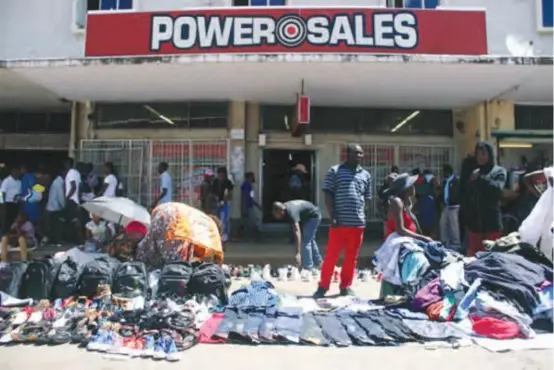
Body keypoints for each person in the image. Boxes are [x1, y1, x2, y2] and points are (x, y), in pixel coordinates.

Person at [313, 143, 372, 299]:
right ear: (348, 154)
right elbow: (328, 194)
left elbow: (367, 198)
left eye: (361, 153)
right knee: (331, 256)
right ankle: (323, 286)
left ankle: (345, 286)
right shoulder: (335, 171)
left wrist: (361, 213)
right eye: (356, 153)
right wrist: (332, 215)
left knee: (351, 258)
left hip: (357, 224)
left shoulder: (366, 175)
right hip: (339, 223)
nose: (360, 156)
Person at [380, 173, 433, 297]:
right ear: (405, 188)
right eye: (412, 185)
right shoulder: (397, 202)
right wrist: (424, 238)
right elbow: (400, 229)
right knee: (418, 261)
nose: (414, 187)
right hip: (398, 242)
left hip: (407, 241)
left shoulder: (406, 203)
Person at [135, 202, 223, 268]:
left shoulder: (197, 217)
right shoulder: (211, 226)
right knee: (175, 264)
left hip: (163, 210)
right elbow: (217, 253)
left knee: (151, 246)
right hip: (174, 218)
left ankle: (139, 268)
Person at [465, 141, 507, 257]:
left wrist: (481, 179)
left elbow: (498, 189)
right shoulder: (473, 171)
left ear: (490, 155)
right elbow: (466, 194)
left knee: (491, 256)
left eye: (483, 154)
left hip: (491, 222)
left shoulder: (498, 171)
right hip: (474, 223)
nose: (481, 157)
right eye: (478, 154)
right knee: (474, 257)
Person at [272, 200, 323, 272]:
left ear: (281, 211)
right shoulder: (285, 207)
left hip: (314, 216)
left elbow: (297, 231)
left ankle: (308, 268)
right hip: (311, 215)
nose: (275, 216)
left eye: (276, 214)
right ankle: (319, 263)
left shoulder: (291, 212)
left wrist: (298, 253)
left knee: (306, 241)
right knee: (310, 239)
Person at [439, 164, 461, 250]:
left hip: (454, 206)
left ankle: (456, 244)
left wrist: (452, 200)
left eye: (444, 172)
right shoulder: (445, 181)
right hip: (446, 206)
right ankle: (445, 242)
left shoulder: (456, 181)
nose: (443, 174)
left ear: (448, 172)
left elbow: (457, 194)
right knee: (443, 223)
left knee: (453, 225)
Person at [414, 169, 439, 237]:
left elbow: (436, 193)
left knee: (429, 226)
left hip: (428, 205)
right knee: (426, 226)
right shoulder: (421, 183)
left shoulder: (431, 182)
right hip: (425, 204)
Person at [44, 167, 66, 244]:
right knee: (57, 225)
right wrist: (64, 206)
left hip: (53, 207)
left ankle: (54, 240)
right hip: (55, 207)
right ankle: (57, 241)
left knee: (53, 225)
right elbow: (60, 196)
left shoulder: (57, 182)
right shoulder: (59, 182)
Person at [64, 157, 83, 243]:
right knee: (75, 220)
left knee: (73, 220)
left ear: (68, 164)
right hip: (76, 200)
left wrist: (67, 197)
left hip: (71, 199)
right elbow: (79, 187)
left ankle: (78, 239)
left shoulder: (70, 173)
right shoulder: (77, 173)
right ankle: (77, 239)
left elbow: (73, 186)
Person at [212, 166, 233, 242]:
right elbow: (213, 193)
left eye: (222, 176)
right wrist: (217, 200)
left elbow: (230, 194)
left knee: (224, 220)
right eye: (219, 175)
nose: (220, 177)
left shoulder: (228, 182)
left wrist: (224, 201)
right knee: (216, 219)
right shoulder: (215, 182)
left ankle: (224, 235)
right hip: (216, 203)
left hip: (225, 204)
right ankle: (217, 235)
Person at [240, 172, 261, 240]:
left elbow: (250, 197)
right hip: (247, 205)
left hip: (250, 205)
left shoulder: (249, 185)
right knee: (252, 221)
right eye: (252, 176)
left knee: (252, 220)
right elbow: (245, 197)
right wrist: (244, 207)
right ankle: (252, 236)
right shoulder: (246, 185)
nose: (253, 178)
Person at [0, 167, 21, 233]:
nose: (18, 174)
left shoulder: (19, 181)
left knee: (14, 220)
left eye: (18, 173)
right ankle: (4, 235)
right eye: (16, 173)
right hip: (7, 203)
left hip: (16, 203)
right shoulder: (7, 181)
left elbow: (19, 192)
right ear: (12, 173)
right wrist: (2, 203)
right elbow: (2, 192)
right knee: (6, 221)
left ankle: (11, 235)